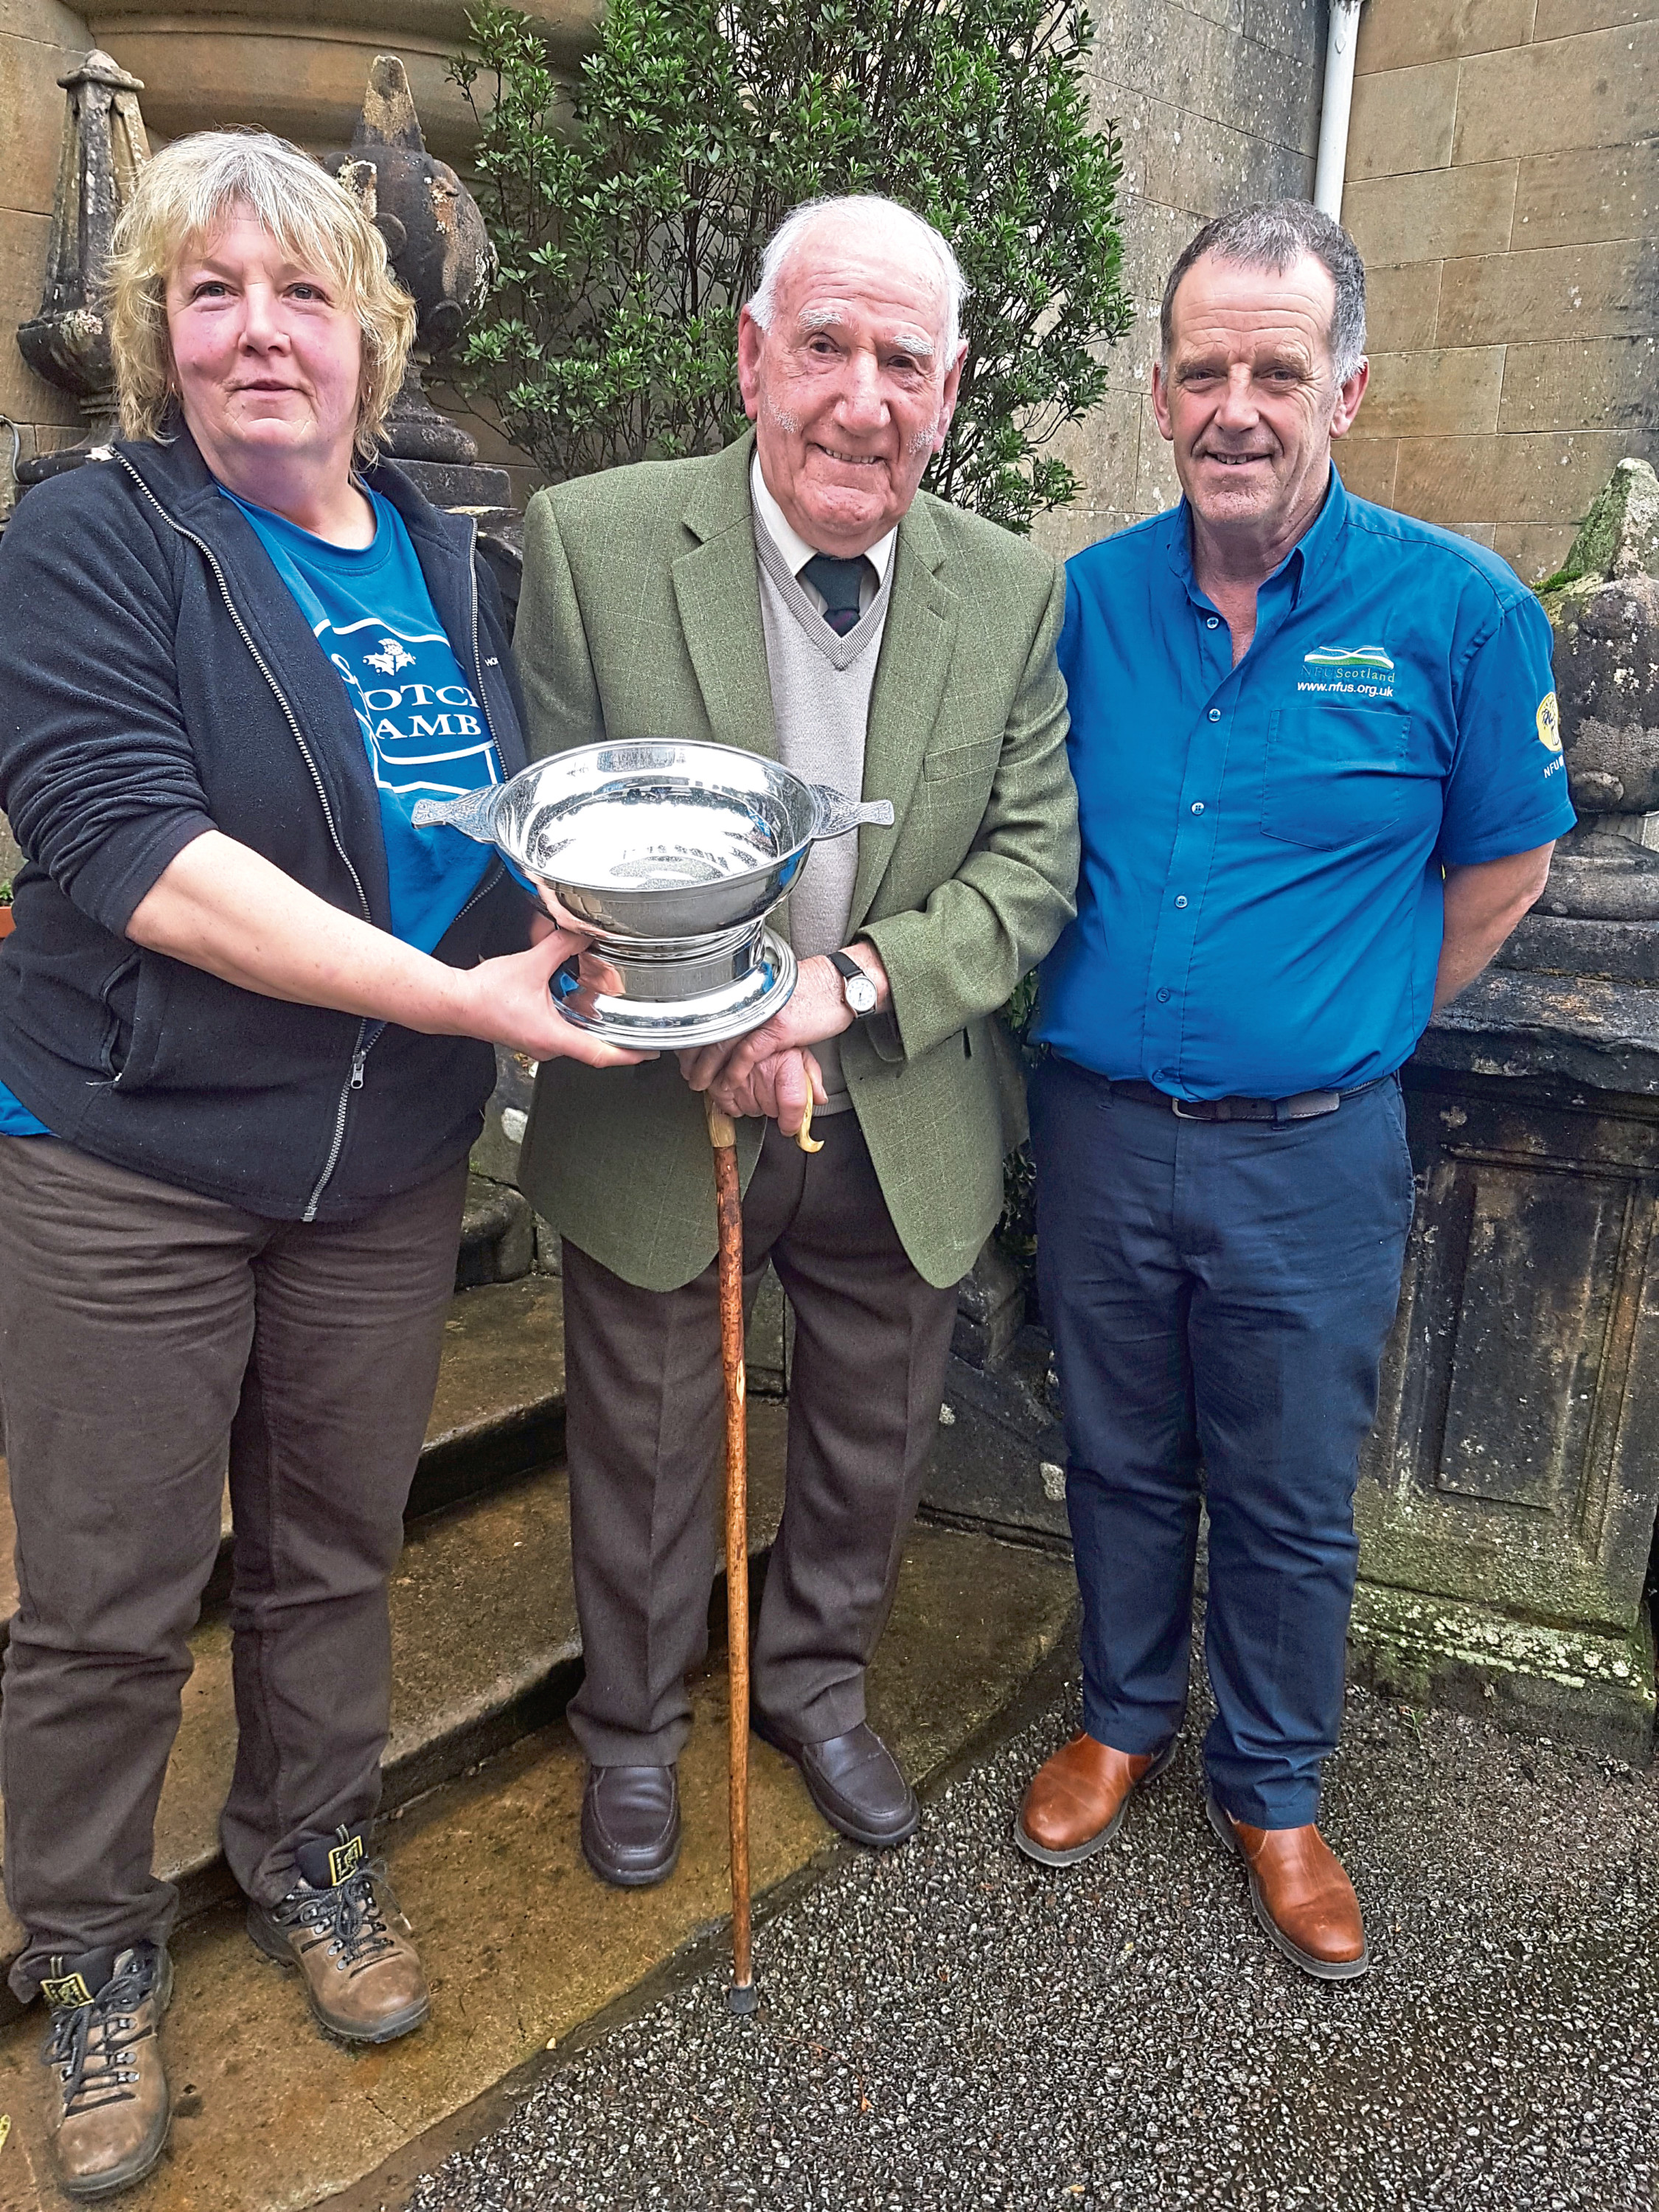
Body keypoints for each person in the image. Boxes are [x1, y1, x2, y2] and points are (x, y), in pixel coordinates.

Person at [0, 131, 636, 2199]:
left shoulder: (459, 566)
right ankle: (89, 1955)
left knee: (331, 1552)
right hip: (135, 1157)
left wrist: (591, 932)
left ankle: (307, 1847)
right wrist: (470, 1011)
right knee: (102, 1605)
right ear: (157, 337)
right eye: (208, 294)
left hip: (379, 1168)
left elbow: (477, 850)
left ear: (374, 328)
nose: (256, 332)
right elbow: (139, 858)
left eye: (297, 294)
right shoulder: (91, 540)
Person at [1015, 200, 1575, 1979]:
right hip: (1099, 1133)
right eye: (1204, 371)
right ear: (1161, 398)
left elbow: (1507, 873)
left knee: (1288, 1487)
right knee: (1116, 1447)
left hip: (1316, 1157)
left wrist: (1344, 1020)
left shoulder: (1464, 615)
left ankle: (1272, 1786)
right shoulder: (1087, 605)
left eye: (1276, 369)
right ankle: (1124, 1715)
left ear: (1346, 386)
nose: (1236, 405)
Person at [513, 194, 1079, 1887]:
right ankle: (629, 1725)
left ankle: (813, 1679)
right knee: (647, 1435)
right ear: (752, 357)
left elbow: (1034, 858)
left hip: (894, 1092)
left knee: (871, 1431)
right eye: (823, 345)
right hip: (667, 1103)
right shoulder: (591, 541)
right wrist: (724, 1016)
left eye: (902, 359)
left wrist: (847, 991)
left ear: (952, 386)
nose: (861, 396)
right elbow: (563, 840)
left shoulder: (1012, 588)